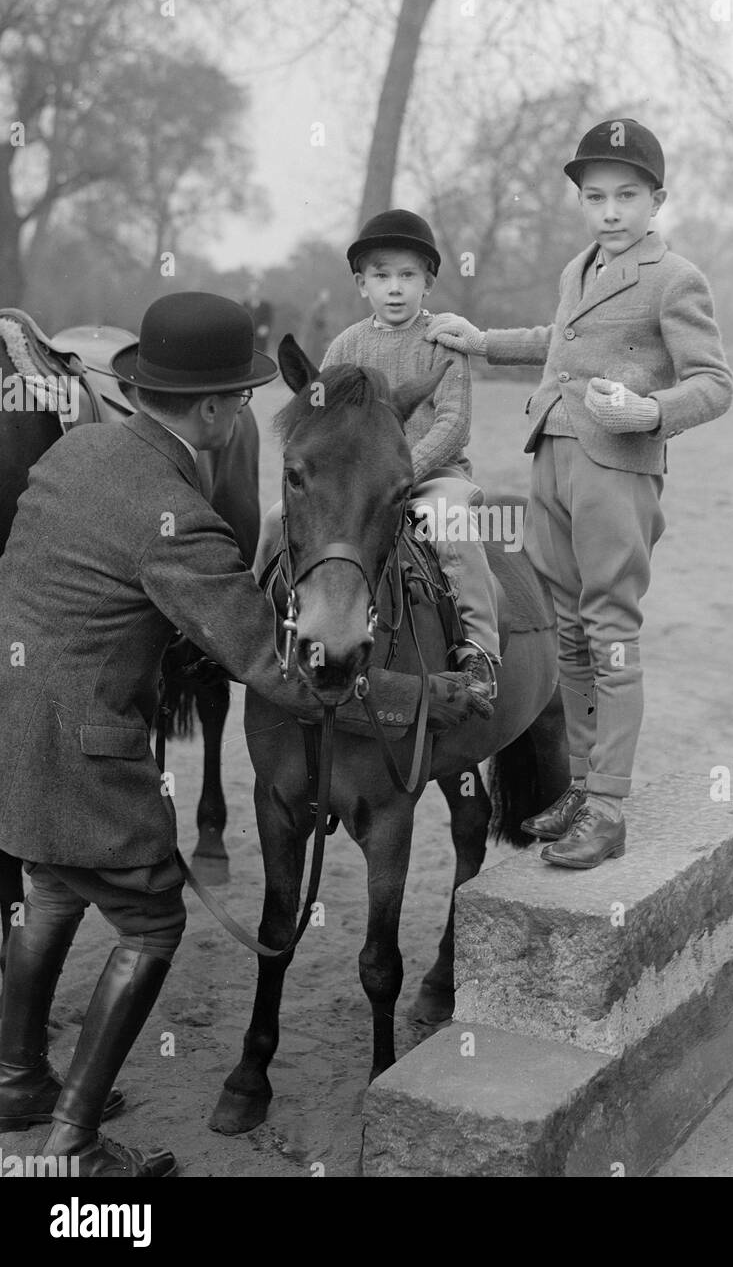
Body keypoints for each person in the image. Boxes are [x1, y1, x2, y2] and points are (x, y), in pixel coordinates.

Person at [0, 291, 481, 1177]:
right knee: (147, 921)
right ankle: (71, 1146)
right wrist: (421, 697)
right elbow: (278, 666)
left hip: (14, 732)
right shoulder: (175, 515)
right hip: (88, 746)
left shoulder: (72, 456)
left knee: (53, 891)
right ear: (220, 409)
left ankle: (16, 1080)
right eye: (241, 402)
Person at [428, 119, 733, 868]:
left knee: (610, 632)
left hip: (617, 470)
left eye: (626, 196)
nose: (609, 211)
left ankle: (609, 804)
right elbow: (560, 340)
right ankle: (577, 782)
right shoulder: (581, 266)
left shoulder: (674, 277)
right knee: (564, 630)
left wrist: (652, 411)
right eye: (594, 196)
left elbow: (715, 383)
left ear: (655, 198)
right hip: (553, 458)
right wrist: (482, 341)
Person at [321, 209, 501, 708]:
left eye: (407, 276)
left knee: (450, 522)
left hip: (433, 476)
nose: (394, 288)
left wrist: (398, 475)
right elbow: (324, 423)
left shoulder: (443, 339)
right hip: (360, 485)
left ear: (429, 281)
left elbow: (453, 424)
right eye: (381, 276)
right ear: (362, 283)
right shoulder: (345, 346)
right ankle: (261, 624)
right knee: (280, 519)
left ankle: (479, 650)